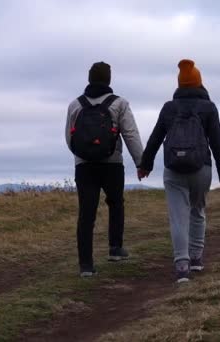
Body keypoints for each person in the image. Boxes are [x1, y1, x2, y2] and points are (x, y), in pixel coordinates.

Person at [138, 59, 220, 283]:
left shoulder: (169, 108)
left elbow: (155, 139)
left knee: (178, 218)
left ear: (180, 84)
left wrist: (145, 165)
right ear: (199, 83)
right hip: (202, 168)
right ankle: (197, 259)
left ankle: (182, 266)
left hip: (173, 170)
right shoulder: (208, 107)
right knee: (197, 211)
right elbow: (217, 143)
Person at [65, 61, 144, 277]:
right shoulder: (119, 103)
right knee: (116, 203)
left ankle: (86, 265)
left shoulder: (75, 105)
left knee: (86, 213)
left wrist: (82, 155)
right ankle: (115, 248)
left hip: (84, 166)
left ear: (89, 79)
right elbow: (130, 134)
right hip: (112, 163)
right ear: (109, 80)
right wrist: (141, 162)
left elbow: (69, 138)